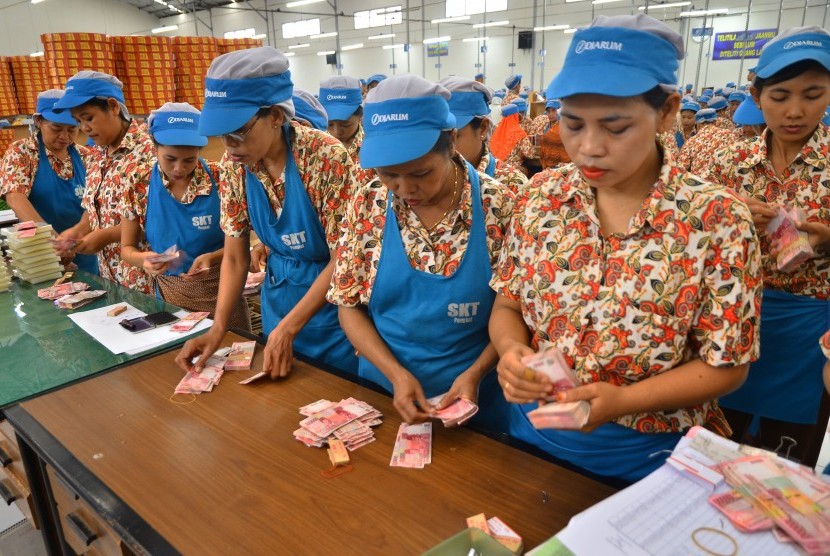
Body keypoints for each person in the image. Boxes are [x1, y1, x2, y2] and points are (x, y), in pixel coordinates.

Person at [489, 14, 761, 483]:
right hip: (534, 436)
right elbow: (507, 303)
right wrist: (513, 352)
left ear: (668, 110)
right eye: (572, 125)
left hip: (649, 455)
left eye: (615, 128)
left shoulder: (716, 219)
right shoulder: (541, 197)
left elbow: (727, 365)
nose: (589, 148)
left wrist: (624, 402)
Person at [327, 75, 513, 427]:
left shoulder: (497, 205)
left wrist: (475, 373)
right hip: (385, 389)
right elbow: (347, 304)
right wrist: (396, 375)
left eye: (421, 173)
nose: (405, 189)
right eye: (388, 175)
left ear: (453, 141)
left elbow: (513, 310)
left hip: (475, 393)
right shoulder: (368, 202)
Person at [175, 47, 358, 378]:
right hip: (278, 297)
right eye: (221, 134)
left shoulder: (325, 157)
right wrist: (218, 328)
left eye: (238, 131)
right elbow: (234, 258)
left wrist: (290, 329)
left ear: (275, 115)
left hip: (331, 308)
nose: (229, 145)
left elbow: (342, 258)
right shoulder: (234, 167)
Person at [704, 26, 830, 466]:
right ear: (757, 96)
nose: (795, 111)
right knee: (720, 441)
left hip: (809, 333)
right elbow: (694, 237)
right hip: (735, 321)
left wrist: (826, 235)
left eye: (813, 94)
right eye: (779, 96)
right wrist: (727, 212)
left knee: (787, 453)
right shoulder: (729, 164)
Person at [120, 103, 250, 330]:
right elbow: (126, 248)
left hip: (223, 291)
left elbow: (244, 243)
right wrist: (144, 260)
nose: (179, 168)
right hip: (172, 296)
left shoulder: (221, 177)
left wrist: (213, 257)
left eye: (189, 160)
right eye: (170, 158)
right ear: (154, 146)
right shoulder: (138, 182)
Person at [52, 71, 154, 293]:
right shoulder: (97, 154)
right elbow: (96, 207)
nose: (84, 128)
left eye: (88, 118)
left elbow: (159, 218)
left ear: (113, 106)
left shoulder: (150, 153)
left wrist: (106, 236)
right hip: (111, 277)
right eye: (78, 121)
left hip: (147, 279)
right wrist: (78, 230)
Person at [0, 89, 97, 274]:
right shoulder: (22, 152)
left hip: (85, 249)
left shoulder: (86, 156)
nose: (64, 136)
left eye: (72, 129)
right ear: (38, 121)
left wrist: (78, 236)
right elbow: (15, 196)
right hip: (41, 252)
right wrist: (50, 237)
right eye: (56, 128)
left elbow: (95, 203)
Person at [440, 76, 526, 195]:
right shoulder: (430, 181)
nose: (444, 148)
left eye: (454, 137)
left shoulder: (511, 184)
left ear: (483, 129)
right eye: (438, 139)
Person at [318, 76, 375, 185]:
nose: (336, 131)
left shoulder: (372, 146)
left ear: (360, 116)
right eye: (329, 124)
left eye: (345, 125)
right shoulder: (317, 146)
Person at [677, 108, 736, 176]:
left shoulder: (691, 141)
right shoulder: (729, 134)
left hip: (701, 184)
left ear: (698, 124)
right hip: (723, 183)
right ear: (715, 122)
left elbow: (681, 168)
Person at [490, 103, 535, 176]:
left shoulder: (496, 128)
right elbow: (530, 154)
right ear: (516, 116)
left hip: (496, 168)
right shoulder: (519, 132)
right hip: (512, 171)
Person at [537, 99, 572, 170]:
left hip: (562, 165)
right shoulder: (546, 127)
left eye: (554, 110)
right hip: (548, 164)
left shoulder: (564, 127)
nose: (551, 114)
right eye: (548, 111)